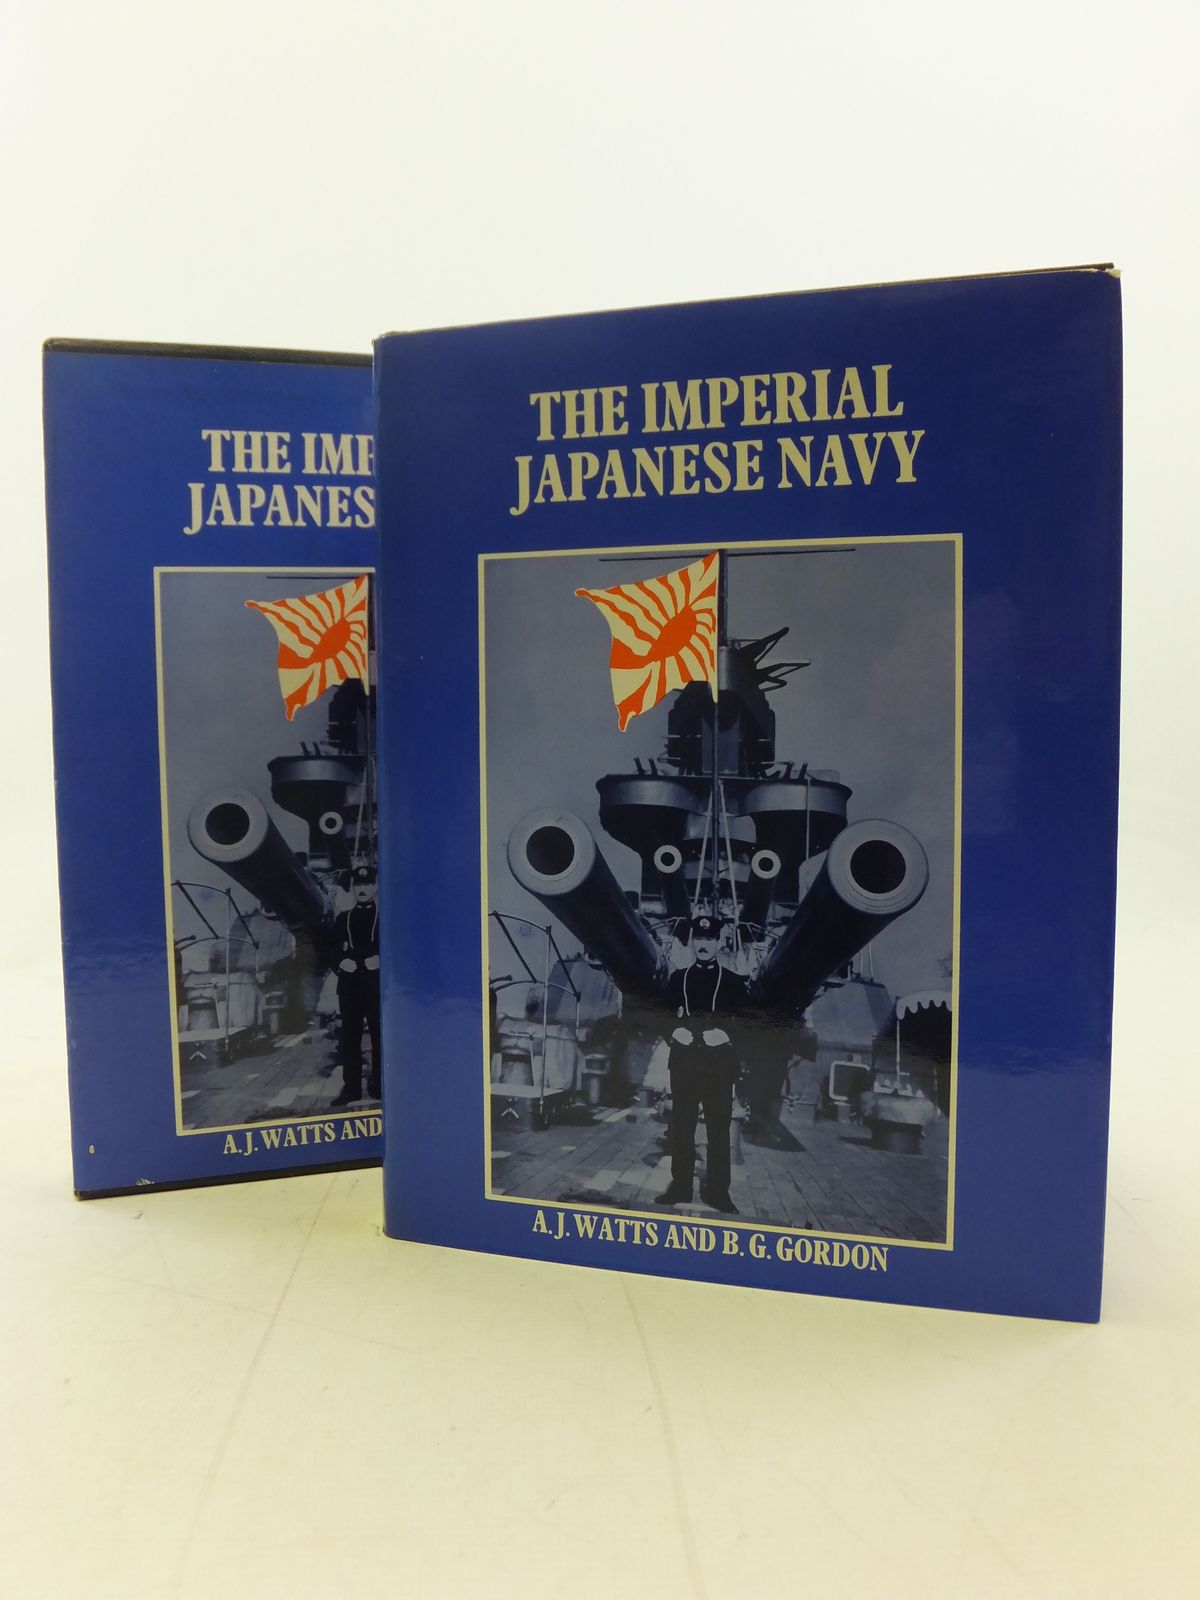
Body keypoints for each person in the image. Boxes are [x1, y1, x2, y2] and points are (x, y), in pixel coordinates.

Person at [655, 912, 748, 1214]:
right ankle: (680, 1186)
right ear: (693, 942)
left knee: (718, 1132)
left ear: (720, 942)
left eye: (710, 938)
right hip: (684, 1065)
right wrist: (673, 1032)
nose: (704, 944)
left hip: (719, 1068)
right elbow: (661, 1016)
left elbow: (750, 1023)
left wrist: (726, 1035)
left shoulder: (733, 982)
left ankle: (719, 1192)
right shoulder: (678, 979)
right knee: (682, 1128)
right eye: (699, 938)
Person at [330, 864, 381, 1106]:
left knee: (380, 1036)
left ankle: (379, 1086)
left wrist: (382, 960)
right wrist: (341, 962)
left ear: (375, 886)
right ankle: (351, 1089)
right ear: (353, 888)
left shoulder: (385, 919)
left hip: (376, 987)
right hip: (350, 988)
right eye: (358, 885)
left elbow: (401, 949)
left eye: (367, 884)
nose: (363, 889)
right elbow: (329, 949)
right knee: (350, 1038)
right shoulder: (343, 919)